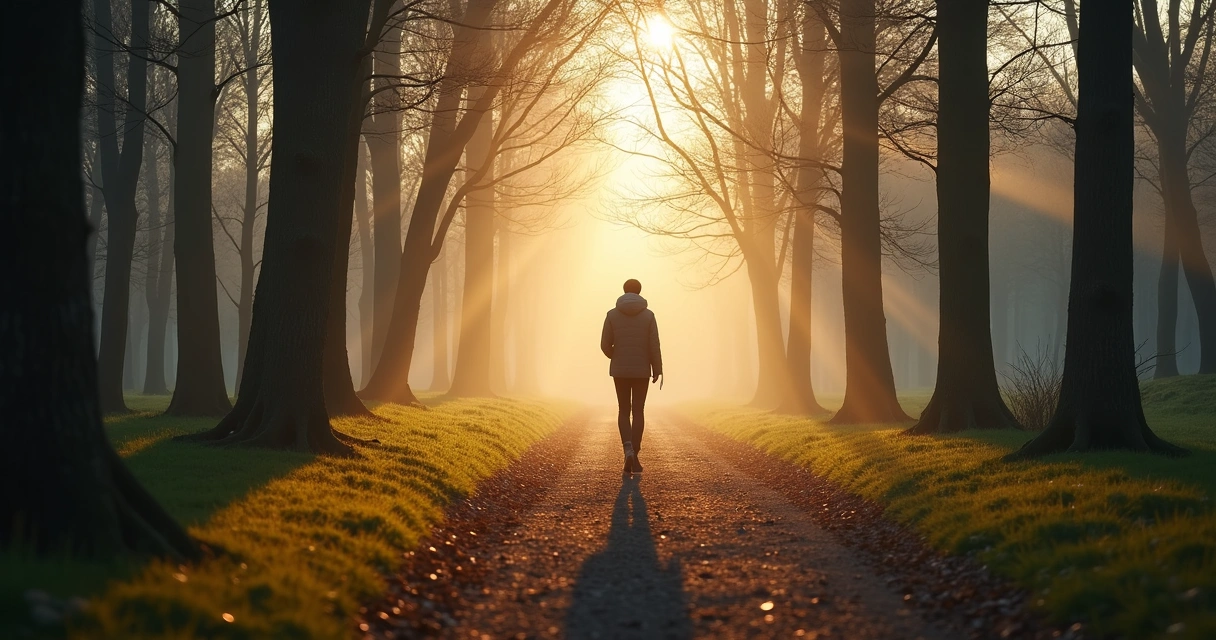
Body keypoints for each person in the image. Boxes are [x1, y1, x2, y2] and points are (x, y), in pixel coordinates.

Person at [600, 279, 663, 475]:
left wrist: (616, 356)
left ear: (624, 291)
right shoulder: (649, 316)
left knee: (623, 409)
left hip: (620, 370)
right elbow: (654, 345)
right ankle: (634, 453)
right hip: (642, 370)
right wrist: (657, 369)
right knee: (638, 410)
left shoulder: (611, 315)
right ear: (640, 292)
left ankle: (627, 448)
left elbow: (604, 344)